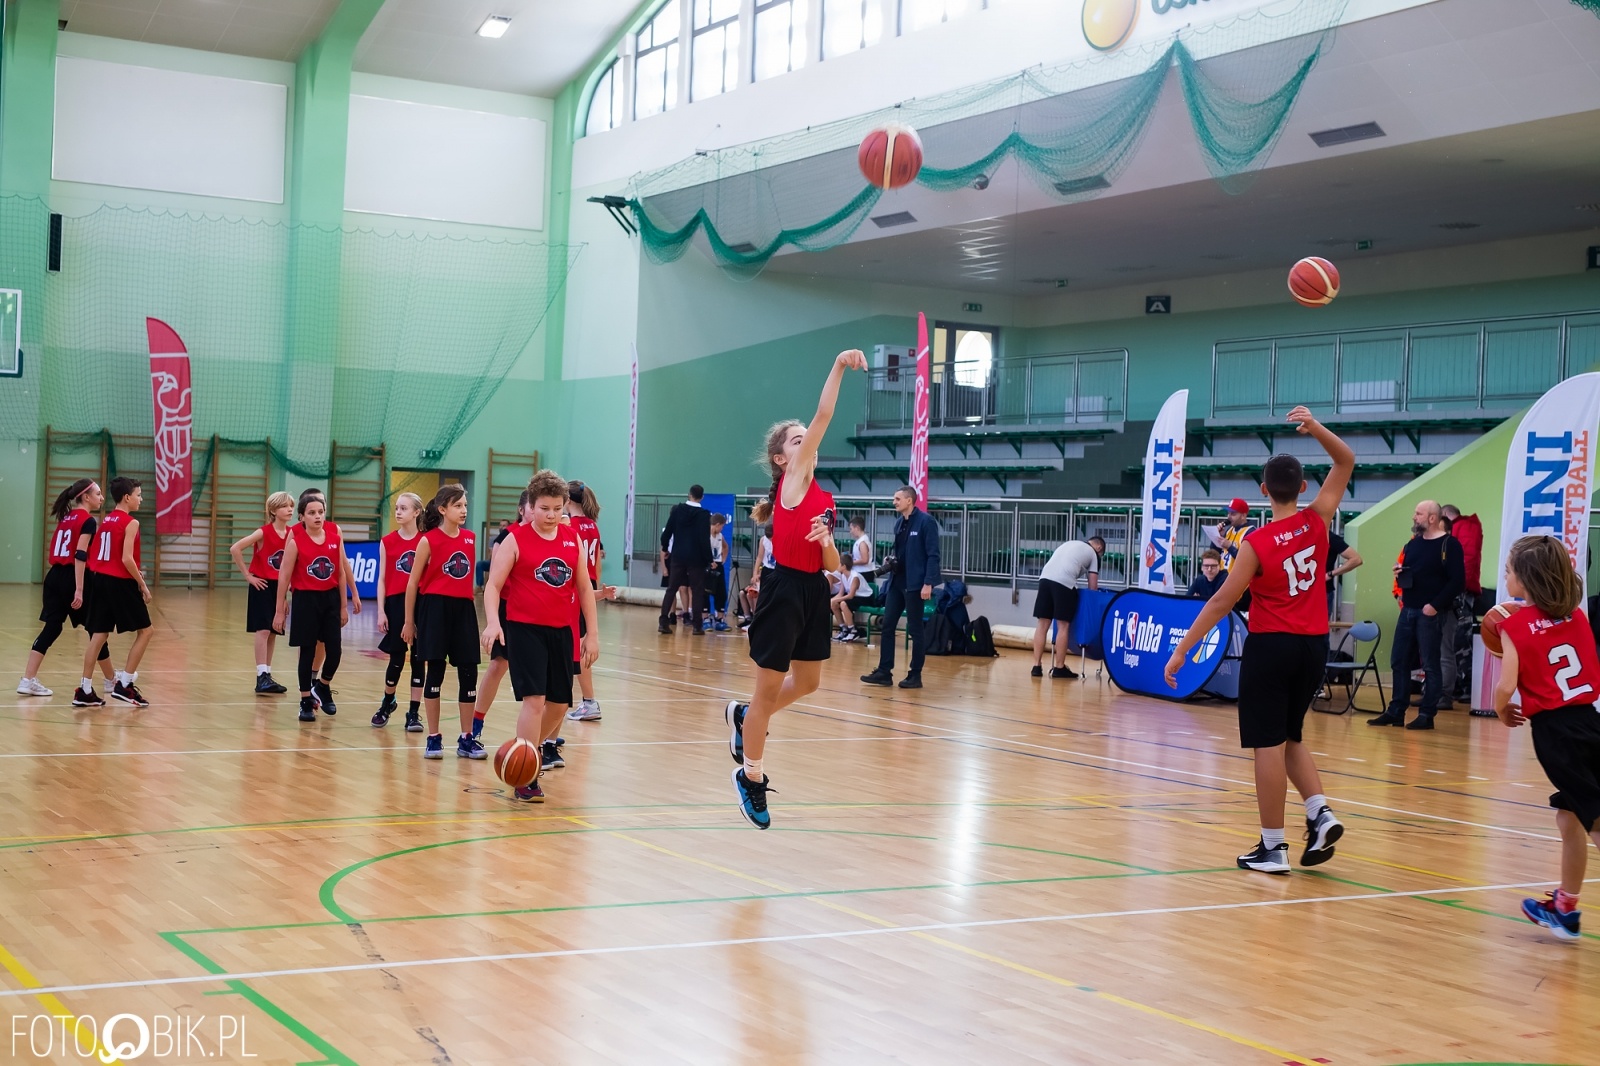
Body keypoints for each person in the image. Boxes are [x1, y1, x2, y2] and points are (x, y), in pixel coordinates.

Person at [1164, 406, 1355, 874]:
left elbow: (1219, 603)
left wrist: (1182, 650)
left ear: (1264, 491)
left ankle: (1273, 847)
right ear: (1304, 488)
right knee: (1290, 736)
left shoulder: (1256, 543)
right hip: (1313, 646)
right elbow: (1346, 461)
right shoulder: (1317, 521)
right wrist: (1315, 428)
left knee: (1266, 746)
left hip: (1271, 646)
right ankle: (1319, 810)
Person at [725, 349, 863, 829]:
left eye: (809, 439)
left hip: (812, 590)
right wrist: (838, 366)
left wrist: (828, 543)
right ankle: (752, 777)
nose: (811, 442)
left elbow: (830, 565)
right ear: (783, 458)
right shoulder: (794, 481)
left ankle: (745, 716)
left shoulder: (822, 496)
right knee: (767, 693)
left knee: (808, 682)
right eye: (799, 440)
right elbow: (824, 414)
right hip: (783, 592)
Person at [1492, 535, 1600, 941]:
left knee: (1593, 820)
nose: (1505, 576)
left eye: (1508, 571)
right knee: (1569, 817)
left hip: (1556, 734)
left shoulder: (1513, 627)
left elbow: (1506, 687)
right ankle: (1565, 908)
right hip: (1590, 721)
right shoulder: (1577, 616)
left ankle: (1565, 908)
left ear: (1526, 579)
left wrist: (1502, 710)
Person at [481, 470, 599, 803]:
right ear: (531, 506)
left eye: (557, 508)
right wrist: (493, 622)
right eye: (544, 508)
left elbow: (584, 588)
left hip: (562, 630)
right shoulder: (515, 540)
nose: (551, 515)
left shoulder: (570, 537)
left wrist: (592, 633)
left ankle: (522, 752)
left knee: (560, 705)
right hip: (524, 629)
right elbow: (493, 586)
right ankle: (527, 776)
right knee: (534, 701)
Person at [1370, 500, 1464, 730]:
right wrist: (1399, 574)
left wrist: (1434, 605)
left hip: (1430, 612)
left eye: (1418, 513)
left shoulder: (1449, 545)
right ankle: (1396, 711)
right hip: (1408, 609)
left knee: (1431, 665)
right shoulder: (1412, 545)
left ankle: (1426, 715)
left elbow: (1458, 581)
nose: (1414, 517)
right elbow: (1414, 575)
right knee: (1399, 661)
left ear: (1432, 518)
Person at [403, 484, 481, 761]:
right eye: (458, 506)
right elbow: (413, 583)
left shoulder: (471, 539)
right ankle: (434, 737)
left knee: (469, 673)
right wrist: (409, 621)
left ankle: (467, 738)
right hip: (434, 609)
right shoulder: (428, 541)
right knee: (434, 672)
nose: (463, 510)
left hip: (463, 610)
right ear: (443, 509)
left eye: (465, 506)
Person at [20, 479, 115, 700]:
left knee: (52, 628)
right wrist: (80, 589)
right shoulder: (88, 521)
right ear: (86, 497)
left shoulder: (65, 518)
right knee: (97, 630)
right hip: (74, 576)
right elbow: (80, 554)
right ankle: (111, 680)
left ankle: (27, 679)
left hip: (53, 576)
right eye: (98, 494)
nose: (101, 498)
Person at [273, 493, 358, 721]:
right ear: (302, 517)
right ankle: (305, 701)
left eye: (320, 512)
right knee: (307, 653)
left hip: (330, 600)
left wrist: (343, 605)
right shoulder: (296, 542)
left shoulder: (334, 539)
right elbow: (284, 576)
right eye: (311, 513)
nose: (317, 516)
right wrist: (280, 609)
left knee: (335, 651)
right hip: (305, 601)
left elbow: (340, 572)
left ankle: (322, 685)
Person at [81, 477, 154, 707]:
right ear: (127, 497)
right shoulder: (130, 522)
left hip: (99, 580)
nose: (141, 499)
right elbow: (126, 558)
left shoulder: (105, 521)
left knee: (99, 635)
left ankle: (84, 688)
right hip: (119, 582)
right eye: (139, 495)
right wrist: (142, 584)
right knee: (146, 631)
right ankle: (124, 684)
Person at [860, 486, 942, 690]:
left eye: (897, 499)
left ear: (909, 501)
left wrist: (928, 582)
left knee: (915, 629)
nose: (894, 502)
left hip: (915, 585)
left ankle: (915, 674)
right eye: (894, 498)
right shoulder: (899, 524)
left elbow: (933, 554)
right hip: (897, 583)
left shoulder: (926, 522)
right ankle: (884, 671)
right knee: (887, 625)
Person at [470, 493, 535, 744]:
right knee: (499, 665)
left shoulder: (554, 535)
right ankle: (476, 722)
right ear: (522, 509)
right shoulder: (508, 538)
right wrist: (493, 619)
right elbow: (495, 582)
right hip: (509, 607)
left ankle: (544, 736)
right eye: (534, 506)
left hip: (537, 611)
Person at [228, 491, 294, 696]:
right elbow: (235, 548)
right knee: (263, 631)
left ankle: (267, 674)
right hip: (263, 585)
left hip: (280, 588)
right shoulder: (263, 532)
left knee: (274, 631)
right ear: (273, 511)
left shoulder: (293, 533)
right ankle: (260, 675)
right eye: (285, 506)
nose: (290, 509)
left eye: (291, 506)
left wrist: (286, 595)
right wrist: (248, 575)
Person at [372, 492, 426, 732]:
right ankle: (387, 701)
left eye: (404, 508)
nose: (398, 512)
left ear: (416, 512)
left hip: (421, 604)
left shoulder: (426, 540)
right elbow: (382, 579)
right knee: (396, 658)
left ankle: (413, 712)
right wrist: (381, 611)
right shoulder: (388, 541)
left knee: (418, 659)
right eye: (396, 508)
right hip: (395, 604)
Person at [565, 480, 615, 722]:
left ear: (567, 501)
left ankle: (588, 701)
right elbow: (596, 564)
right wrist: (596, 589)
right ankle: (586, 701)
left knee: (579, 645)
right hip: (590, 584)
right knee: (582, 642)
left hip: (575, 587)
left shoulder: (569, 525)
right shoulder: (592, 526)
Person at [1030, 536, 1104, 679]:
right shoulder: (1094, 554)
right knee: (1063, 625)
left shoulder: (1070, 543)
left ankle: (1036, 666)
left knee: (1042, 624)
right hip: (1064, 583)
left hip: (1044, 579)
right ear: (1099, 548)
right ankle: (1059, 667)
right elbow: (1093, 587)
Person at [1442, 503, 1484, 701]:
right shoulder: (1466, 528)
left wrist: (1455, 589)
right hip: (1461, 591)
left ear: (1445, 516)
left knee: (1460, 641)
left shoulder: (1464, 528)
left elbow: (1465, 562)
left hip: (1460, 594)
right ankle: (1461, 686)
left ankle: (1467, 687)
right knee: (1456, 641)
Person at [659, 485, 712, 634]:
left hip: (678, 556)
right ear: (702, 497)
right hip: (696, 559)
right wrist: (709, 559)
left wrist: (665, 548)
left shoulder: (677, 511)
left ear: (689, 494)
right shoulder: (703, 515)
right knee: (697, 591)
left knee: (671, 589)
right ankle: (697, 626)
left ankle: (663, 622)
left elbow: (667, 532)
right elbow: (704, 540)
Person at [830, 555, 872, 642]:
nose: (836, 566)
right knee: (833, 603)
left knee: (843, 603)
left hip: (866, 597)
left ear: (844, 566)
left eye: (838, 564)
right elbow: (840, 593)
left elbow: (850, 596)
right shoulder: (843, 575)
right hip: (856, 596)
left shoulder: (855, 577)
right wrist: (832, 600)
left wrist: (836, 600)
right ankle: (843, 629)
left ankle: (853, 631)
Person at [1324, 526, 1362, 620]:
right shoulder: (1301, 537)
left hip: (1323, 591)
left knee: (1319, 630)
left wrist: (1330, 574)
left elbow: (1356, 559)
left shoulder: (1331, 538)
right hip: (1300, 591)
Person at [704, 513, 731, 631]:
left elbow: (726, 547)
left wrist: (723, 559)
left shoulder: (720, 536)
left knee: (721, 592)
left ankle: (719, 619)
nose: (722, 529)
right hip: (707, 566)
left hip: (718, 565)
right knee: (705, 592)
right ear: (717, 524)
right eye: (722, 526)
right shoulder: (705, 535)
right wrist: (708, 562)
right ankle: (705, 619)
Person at [848, 516, 876, 580]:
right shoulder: (861, 540)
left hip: (864, 573)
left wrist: (850, 562)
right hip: (862, 572)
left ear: (857, 528)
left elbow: (865, 560)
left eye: (851, 529)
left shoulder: (862, 542)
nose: (850, 532)